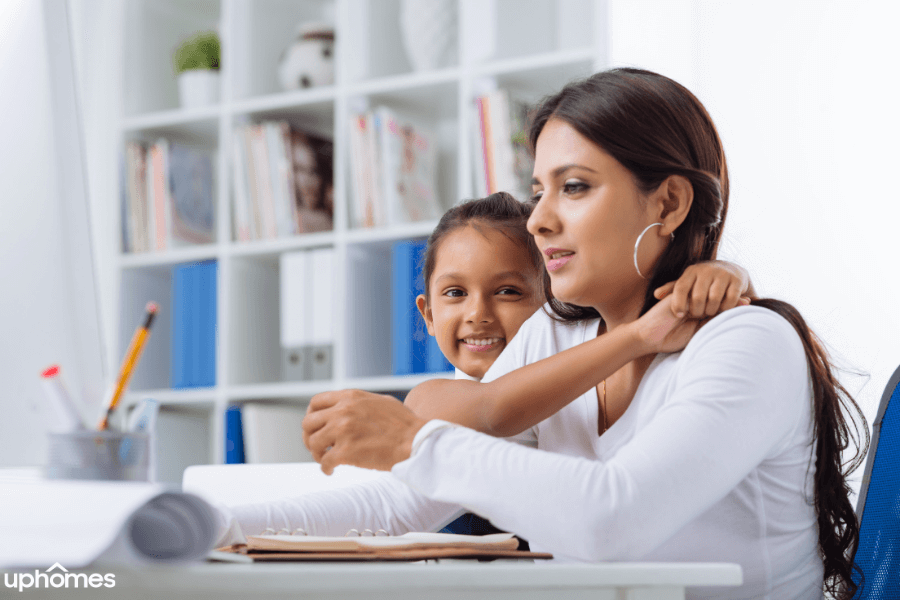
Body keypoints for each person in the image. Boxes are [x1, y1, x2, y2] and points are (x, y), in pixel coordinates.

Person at [302, 69, 868, 599]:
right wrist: (224, 524)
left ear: (668, 203)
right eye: (538, 191)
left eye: (573, 187)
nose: (537, 220)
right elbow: (405, 502)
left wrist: (411, 442)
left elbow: (615, 520)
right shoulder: (555, 333)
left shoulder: (749, 341)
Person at [215, 190, 751, 544]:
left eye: (509, 291)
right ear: (425, 312)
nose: (478, 315)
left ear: (556, 292)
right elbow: (399, 500)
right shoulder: (463, 394)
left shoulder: (561, 341)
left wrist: (717, 274)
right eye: (455, 292)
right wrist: (227, 525)